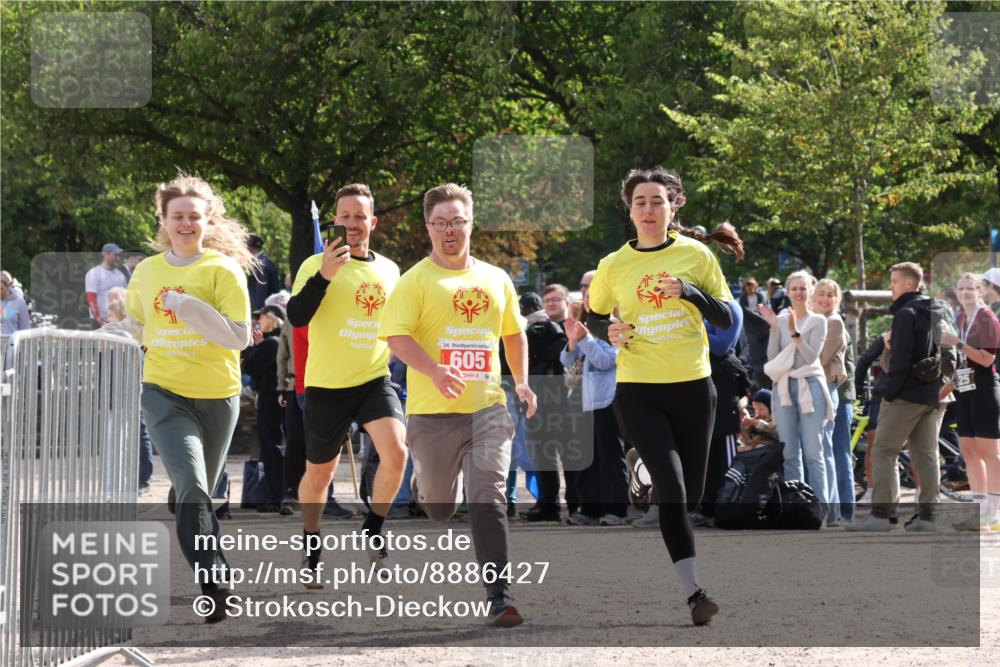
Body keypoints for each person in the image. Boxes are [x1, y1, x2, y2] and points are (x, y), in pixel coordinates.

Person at [587, 167, 741, 625]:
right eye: (640, 202)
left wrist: (690, 292)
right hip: (638, 385)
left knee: (690, 496)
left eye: (657, 201)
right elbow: (593, 316)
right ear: (629, 209)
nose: (649, 210)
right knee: (674, 492)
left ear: (673, 206)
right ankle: (696, 593)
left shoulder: (696, 255)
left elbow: (726, 320)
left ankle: (643, 474)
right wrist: (608, 330)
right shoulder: (613, 265)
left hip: (694, 385)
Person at [380, 183, 537, 627]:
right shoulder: (414, 281)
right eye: (440, 223)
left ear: (471, 223)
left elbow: (513, 332)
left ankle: (499, 596)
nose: (450, 230)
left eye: (457, 221)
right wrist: (434, 370)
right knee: (439, 508)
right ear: (428, 227)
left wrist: (521, 382)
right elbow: (397, 337)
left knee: (488, 494)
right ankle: (422, 486)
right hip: (432, 415)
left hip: (487, 408)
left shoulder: (495, 278)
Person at [115, 174, 255, 622]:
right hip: (163, 393)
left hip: (217, 395)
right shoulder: (146, 271)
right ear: (164, 220)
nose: (186, 223)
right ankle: (214, 582)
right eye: (178, 216)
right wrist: (114, 334)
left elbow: (239, 338)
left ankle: (185, 499)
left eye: (194, 216)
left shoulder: (222, 270)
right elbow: (137, 328)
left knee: (198, 490)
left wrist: (189, 306)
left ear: (207, 219)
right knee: (195, 489)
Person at [285, 183, 407, 573]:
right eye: (345, 217)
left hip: (373, 380)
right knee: (319, 476)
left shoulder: (390, 269)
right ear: (335, 221)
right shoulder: (313, 264)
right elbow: (296, 317)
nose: (352, 224)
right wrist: (324, 275)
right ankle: (311, 541)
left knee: (397, 453)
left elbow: (399, 323)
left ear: (372, 221)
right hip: (326, 386)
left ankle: (373, 528)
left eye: (359, 217)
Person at [847, 263, 943, 532]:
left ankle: (882, 515)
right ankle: (927, 518)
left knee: (884, 451)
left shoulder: (905, 313)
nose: (891, 287)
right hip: (930, 393)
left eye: (894, 282)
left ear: (909, 285)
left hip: (904, 393)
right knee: (926, 455)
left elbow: (901, 360)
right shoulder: (937, 309)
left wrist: (888, 392)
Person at [760, 270, 833, 518]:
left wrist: (794, 332)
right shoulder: (780, 319)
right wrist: (773, 328)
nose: (799, 293)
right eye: (794, 289)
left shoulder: (819, 320)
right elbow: (772, 358)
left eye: (803, 288)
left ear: (811, 290)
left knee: (814, 453)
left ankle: (822, 511)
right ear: (788, 292)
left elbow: (812, 356)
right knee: (789, 453)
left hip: (810, 385)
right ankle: (797, 510)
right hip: (783, 387)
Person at [559, 272, 626, 526]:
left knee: (610, 456)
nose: (588, 299)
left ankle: (617, 510)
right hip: (585, 400)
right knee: (587, 458)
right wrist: (573, 341)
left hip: (608, 401)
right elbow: (566, 361)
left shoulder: (615, 324)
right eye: (586, 295)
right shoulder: (585, 325)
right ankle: (590, 508)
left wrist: (585, 339)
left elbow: (606, 360)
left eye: (594, 294)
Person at [942, 272, 1000, 531]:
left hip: (985, 387)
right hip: (965, 388)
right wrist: (949, 386)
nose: (965, 293)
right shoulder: (959, 317)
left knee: (990, 453)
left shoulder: (987, 317)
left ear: (980, 291)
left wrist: (958, 342)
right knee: (969, 451)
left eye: (970, 288)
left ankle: (993, 513)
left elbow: (987, 360)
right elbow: (962, 361)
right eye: (961, 288)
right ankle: (980, 513)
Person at [242, 304, 286, 513]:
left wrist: (253, 347)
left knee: (271, 447)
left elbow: (249, 366)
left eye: (260, 318)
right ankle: (277, 494)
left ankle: (274, 496)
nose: (257, 322)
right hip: (275, 397)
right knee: (274, 446)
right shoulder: (278, 341)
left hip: (271, 399)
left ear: (271, 318)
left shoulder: (271, 344)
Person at [813, 278, 848, 526]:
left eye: (830, 295)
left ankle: (832, 513)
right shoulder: (812, 320)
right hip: (811, 387)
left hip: (826, 388)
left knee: (825, 452)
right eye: (821, 293)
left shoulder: (834, 322)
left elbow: (819, 357)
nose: (824, 298)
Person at [85, 242, 128, 327]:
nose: (118, 258)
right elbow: (91, 297)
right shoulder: (94, 273)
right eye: (115, 255)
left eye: (118, 255)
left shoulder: (120, 275)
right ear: (106, 254)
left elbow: (125, 297)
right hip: (100, 320)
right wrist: (98, 317)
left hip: (118, 320)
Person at [247, 234, 282, 312]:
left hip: (263, 312)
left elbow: (261, 293)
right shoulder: (263, 262)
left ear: (250, 248)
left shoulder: (260, 265)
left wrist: (257, 313)